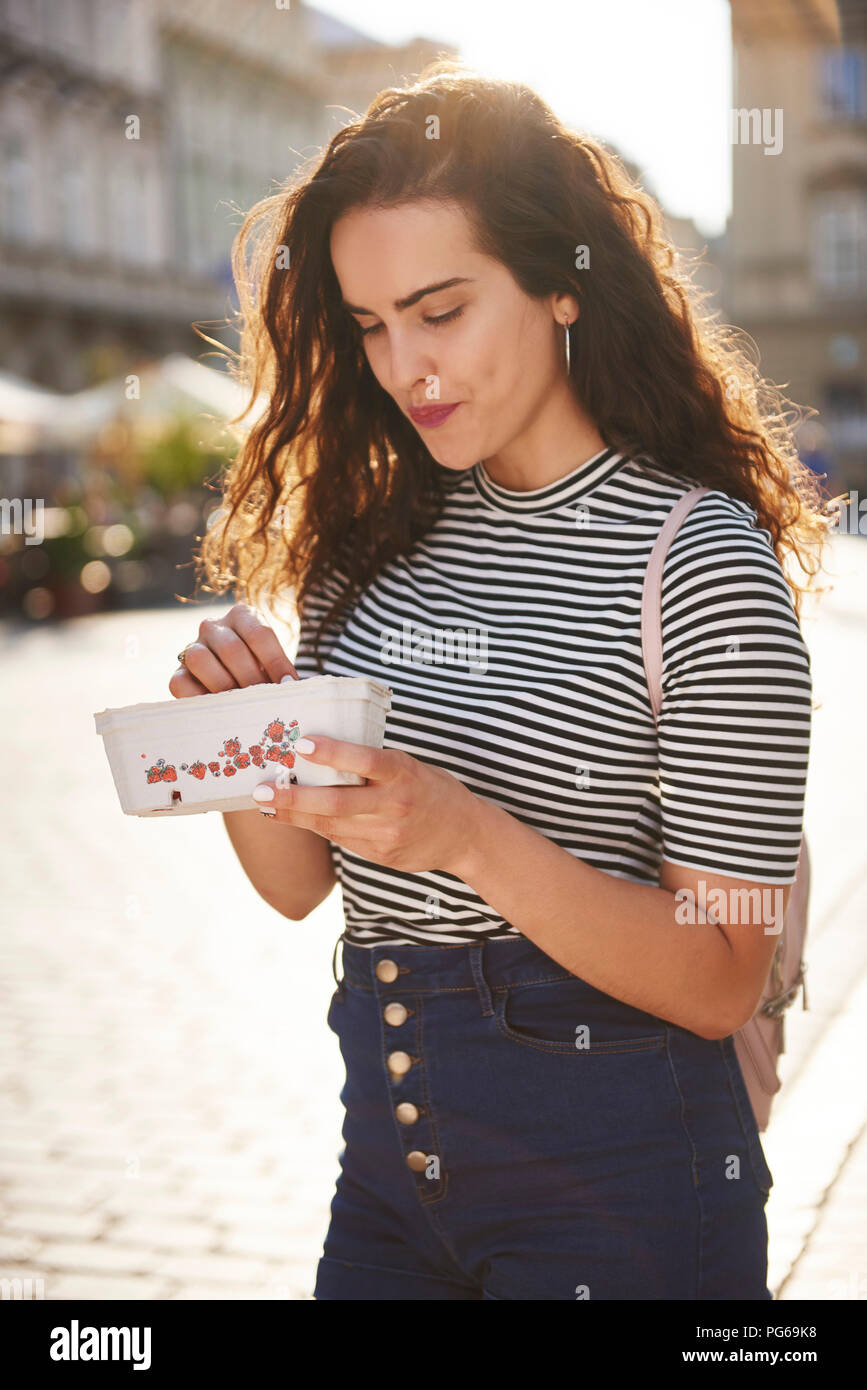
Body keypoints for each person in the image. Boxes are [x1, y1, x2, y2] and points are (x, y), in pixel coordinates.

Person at [172, 60, 832, 1300]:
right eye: (369, 325)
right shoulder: (365, 546)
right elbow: (302, 890)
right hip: (385, 1175)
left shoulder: (693, 561)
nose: (403, 363)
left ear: (560, 288)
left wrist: (464, 831)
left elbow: (722, 969)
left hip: (628, 1190)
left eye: (439, 308)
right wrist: (248, 747)